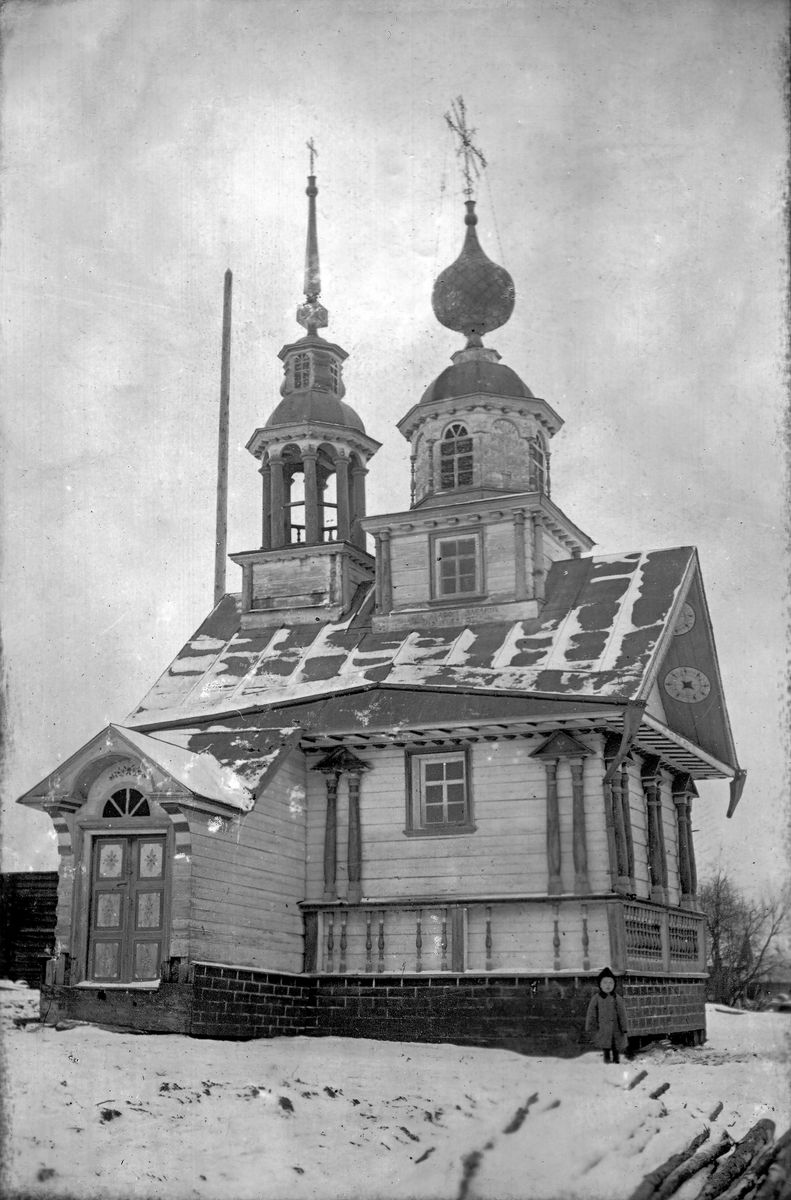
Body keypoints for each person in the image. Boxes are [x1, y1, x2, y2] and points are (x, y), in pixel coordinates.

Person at [586, 967, 628, 1063]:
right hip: (603, 1028)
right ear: (600, 985)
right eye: (605, 983)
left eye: (610, 983)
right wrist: (590, 1026)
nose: (608, 986)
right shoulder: (596, 998)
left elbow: (622, 1014)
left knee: (615, 1045)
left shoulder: (617, 998)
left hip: (616, 1029)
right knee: (606, 1046)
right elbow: (591, 1013)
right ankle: (607, 1061)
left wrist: (624, 1027)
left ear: (614, 984)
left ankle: (616, 1060)